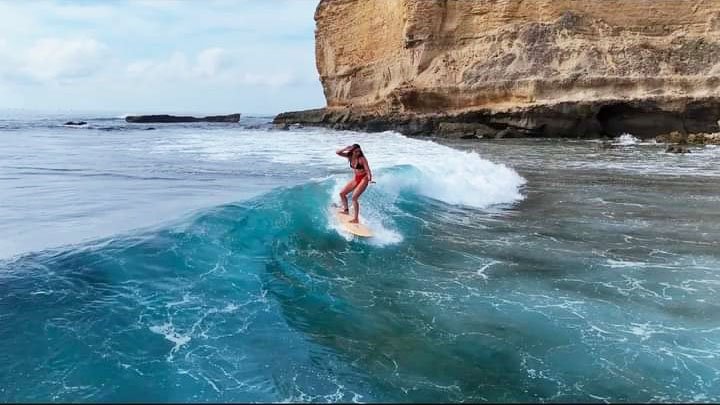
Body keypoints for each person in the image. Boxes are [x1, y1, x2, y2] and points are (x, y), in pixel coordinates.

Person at [336, 144, 372, 224]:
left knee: (354, 198)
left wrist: (370, 179)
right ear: (352, 151)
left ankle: (356, 219)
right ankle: (346, 210)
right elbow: (337, 152)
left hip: (364, 179)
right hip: (356, 178)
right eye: (356, 151)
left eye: (359, 151)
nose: (358, 153)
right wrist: (345, 148)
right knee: (342, 193)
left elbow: (368, 169)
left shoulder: (362, 159)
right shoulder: (349, 156)